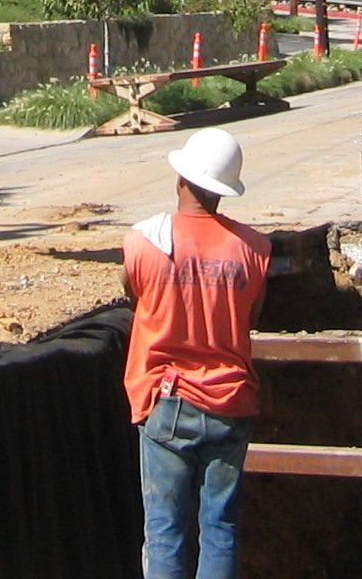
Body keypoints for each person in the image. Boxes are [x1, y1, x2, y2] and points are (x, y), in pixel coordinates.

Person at [122, 128, 270, 579]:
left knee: (165, 532)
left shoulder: (142, 241)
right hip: (229, 401)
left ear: (181, 179)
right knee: (220, 529)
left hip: (165, 401)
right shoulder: (255, 249)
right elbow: (252, 316)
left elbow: (136, 296)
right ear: (225, 191)